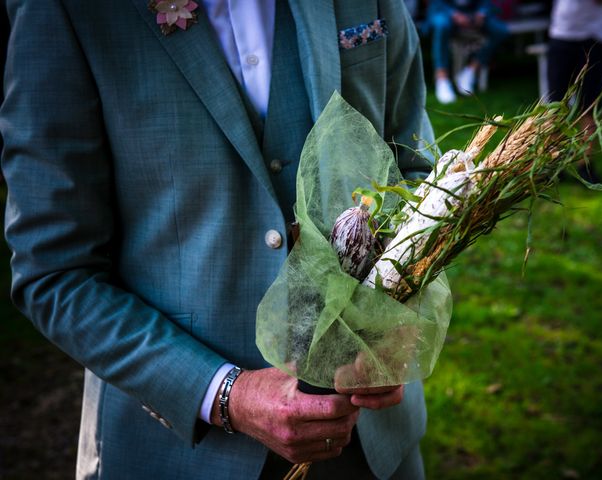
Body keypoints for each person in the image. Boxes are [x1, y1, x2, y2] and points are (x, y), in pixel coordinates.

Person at [0, 0, 435, 478]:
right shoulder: (65, 11)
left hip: (372, 446)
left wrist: (396, 323)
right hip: (181, 454)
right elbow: (56, 273)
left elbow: (415, 170)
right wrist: (226, 394)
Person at [547, 0, 602, 180]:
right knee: (556, 105)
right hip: (563, 33)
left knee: (589, 105)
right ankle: (552, 163)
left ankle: (585, 164)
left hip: (596, 37)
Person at [427, 0, 509, 104]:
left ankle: (471, 70)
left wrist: (482, 12)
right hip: (443, 11)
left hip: (472, 11)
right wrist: (453, 14)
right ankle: (442, 78)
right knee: (441, 25)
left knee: (500, 31)